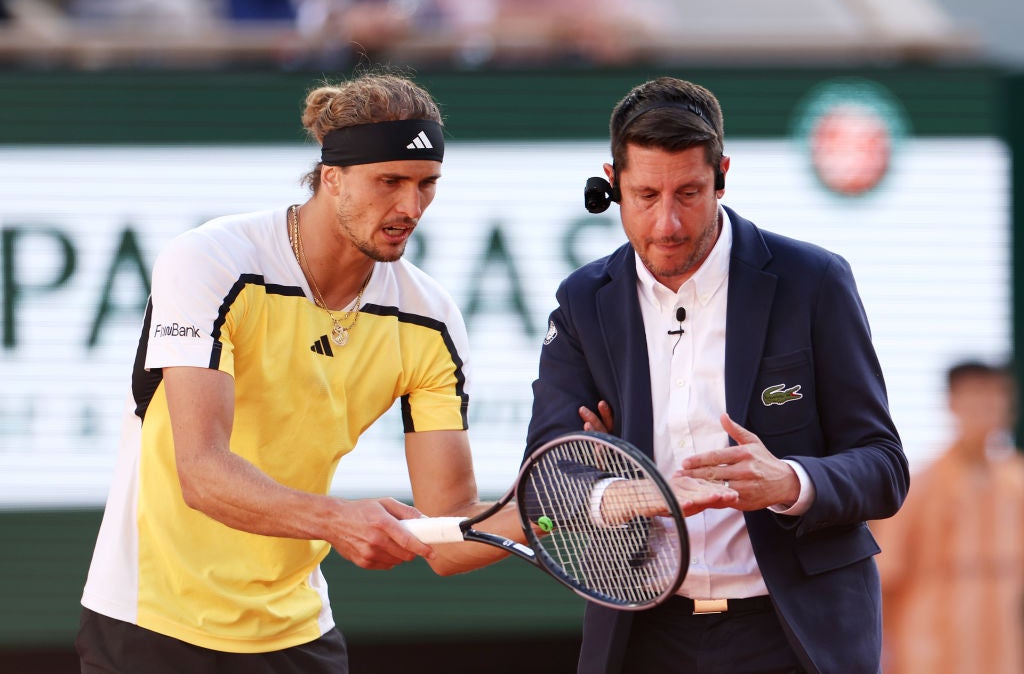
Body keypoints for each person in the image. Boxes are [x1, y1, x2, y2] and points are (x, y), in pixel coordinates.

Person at [74, 71, 524, 674]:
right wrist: (338, 520)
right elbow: (201, 474)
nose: (410, 207)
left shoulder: (431, 319)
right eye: (389, 181)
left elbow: (447, 534)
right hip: (146, 622)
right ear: (331, 177)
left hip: (295, 635)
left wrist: (568, 511)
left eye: (426, 184)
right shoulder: (210, 261)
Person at [526, 76, 909, 673]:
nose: (667, 224)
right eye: (646, 195)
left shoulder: (815, 281)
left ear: (722, 175)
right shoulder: (583, 300)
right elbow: (547, 472)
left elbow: (884, 467)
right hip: (642, 632)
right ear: (612, 182)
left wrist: (789, 482)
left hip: (794, 631)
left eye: (690, 193)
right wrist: (632, 493)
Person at [872, 360, 1024, 674]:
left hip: (1005, 645)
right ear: (952, 402)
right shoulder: (919, 486)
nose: (987, 404)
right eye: (976, 393)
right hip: (933, 647)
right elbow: (885, 576)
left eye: (996, 394)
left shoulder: (1017, 482)